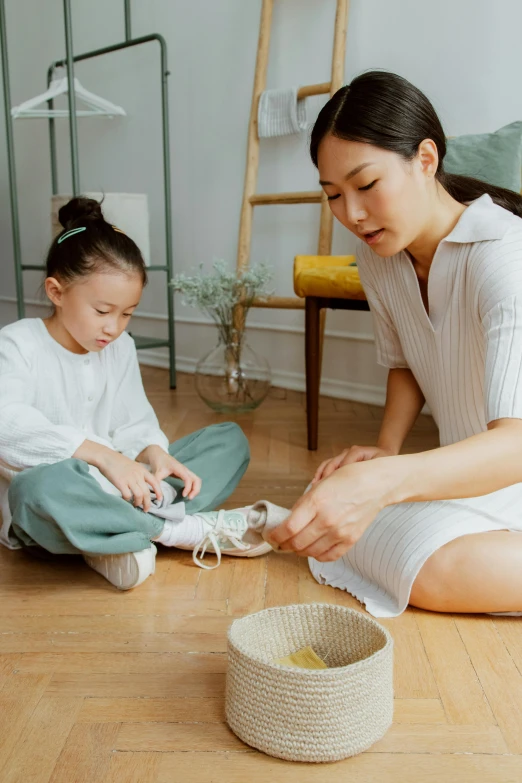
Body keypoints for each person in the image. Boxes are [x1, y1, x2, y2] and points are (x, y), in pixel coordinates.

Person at [269, 70, 522, 617]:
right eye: (333, 195)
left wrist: (386, 480)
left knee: (426, 565)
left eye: (365, 185)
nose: (352, 215)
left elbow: (516, 443)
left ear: (426, 159)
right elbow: (406, 359)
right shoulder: (380, 256)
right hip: (468, 475)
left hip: (507, 466)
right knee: (346, 527)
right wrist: (386, 452)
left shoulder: (503, 256)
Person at [0, 197, 270, 590]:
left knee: (229, 440)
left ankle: (117, 539)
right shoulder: (17, 343)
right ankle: (182, 531)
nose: (114, 327)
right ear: (56, 292)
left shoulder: (119, 346)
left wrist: (153, 453)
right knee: (36, 489)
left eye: (127, 313)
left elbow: (133, 421)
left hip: (125, 489)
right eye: (103, 310)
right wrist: (104, 457)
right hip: (59, 501)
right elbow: (7, 426)